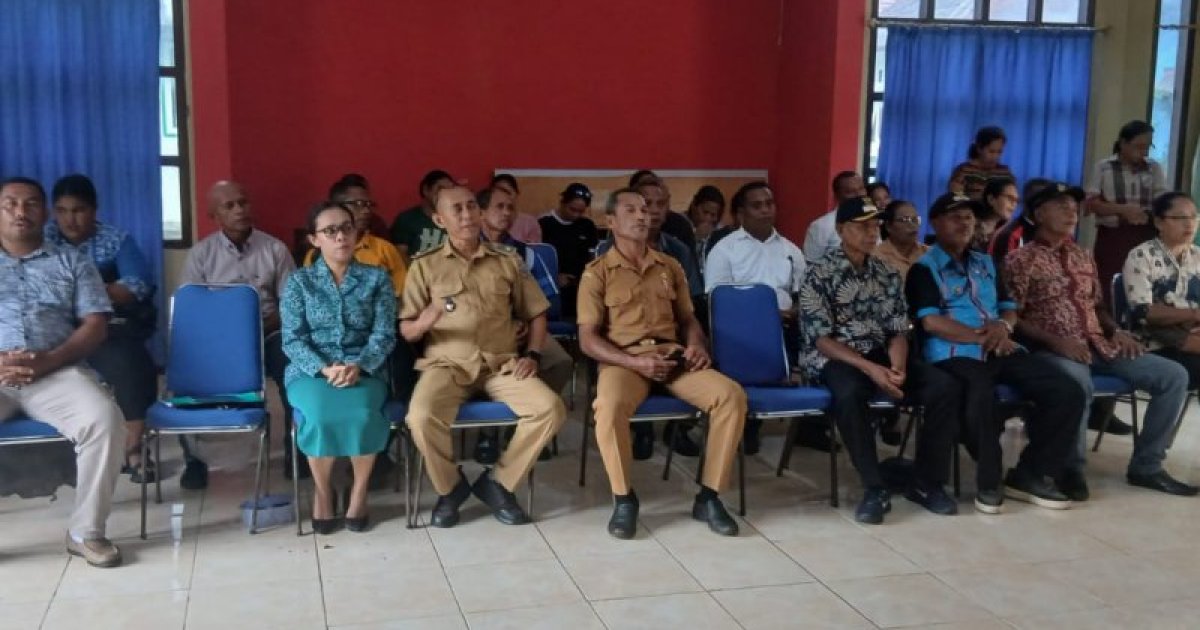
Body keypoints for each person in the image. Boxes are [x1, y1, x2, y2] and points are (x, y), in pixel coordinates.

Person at [1005, 183, 1196, 499]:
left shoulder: (1083, 256)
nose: (1071, 212)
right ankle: (1071, 470)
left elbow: (1098, 307)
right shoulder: (1020, 260)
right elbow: (1014, 316)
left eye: (1074, 207)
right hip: (1052, 350)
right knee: (1078, 383)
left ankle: (1147, 466)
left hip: (1099, 343)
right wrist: (1057, 342)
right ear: (1038, 214)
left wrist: (1115, 331)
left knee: (1173, 375)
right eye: (1061, 206)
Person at [578, 188, 747, 539]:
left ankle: (709, 496)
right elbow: (588, 339)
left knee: (730, 395)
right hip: (625, 362)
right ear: (610, 222)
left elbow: (688, 319)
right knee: (608, 406)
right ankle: (624, 499)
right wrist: (632, 362)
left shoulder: (670, 266)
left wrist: (696, 344)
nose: (642, 215)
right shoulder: (597, 273)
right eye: (631, 210)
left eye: (644, 210)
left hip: (672, 358)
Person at [402, 186, 566, 528]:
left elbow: (536, 313)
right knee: (420, 416)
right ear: (440, 220)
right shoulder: (425, 265)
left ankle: (499, 483)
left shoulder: (507, 260)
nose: (467, 215)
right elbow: (407, 331)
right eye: (457, 209)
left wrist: (533, 354)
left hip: (500, 364)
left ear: (480, 212)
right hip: (447, 365)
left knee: (550, 408)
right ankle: (451, 488)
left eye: (471, 207)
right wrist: (424, 321)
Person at [908, 193, 1082, 514]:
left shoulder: (986, 263)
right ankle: (989, 482)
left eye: (969, 217)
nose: (964, 223)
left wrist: (1002, 326)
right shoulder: (924, 268)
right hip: (954, 352)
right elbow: (931, 322)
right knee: (981, 397)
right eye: (955, 217)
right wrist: (983, 336)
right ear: (935, 223)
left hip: (1000, 346)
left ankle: (1030, 472)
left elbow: (1008, 309)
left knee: (1066, 389)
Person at [798, 196, 959, 524]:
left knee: (943, 387)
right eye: (862, 227)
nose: (872, 233)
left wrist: (897, 366)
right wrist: (872, 370)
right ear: (841, 230)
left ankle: (927, 481)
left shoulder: (886, 272)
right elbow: (821, 339)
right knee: (849, 394)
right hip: (837, 357)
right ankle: (874, 487)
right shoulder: (819, 274)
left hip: (880, 353)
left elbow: (897, 329)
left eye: (875, 225)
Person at [0, 177, 125, 567]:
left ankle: (86, 532)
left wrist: (49, 361)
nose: (21, 212)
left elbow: (96, 325)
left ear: (45, 213)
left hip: (55, 371)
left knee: (104, 419)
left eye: (31, 203)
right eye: (10, 204)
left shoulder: (72, 261)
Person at [282, 202, 396, 534]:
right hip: (310, 372)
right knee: (319, 415)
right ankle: (324, 491)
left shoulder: (377, 278)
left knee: (363, 414)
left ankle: (359, 493)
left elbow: (384, 334)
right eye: (330, 231)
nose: (341, 237)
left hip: (365, 368)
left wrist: (359, 365)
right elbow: (292, 339)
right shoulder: (300, 282)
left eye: (346, 228)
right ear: (314, 240)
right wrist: (324, 369)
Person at [180, 180, 296, 488]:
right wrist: (228, 334)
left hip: (268, 332)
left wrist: (261, 327)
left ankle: (295, 450)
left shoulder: (274, 249)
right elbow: (193, 309)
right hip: (221, 340)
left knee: (292, 362)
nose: (239, 210)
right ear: (213, 215)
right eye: (229, 206)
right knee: (186, 368)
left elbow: (292, 305)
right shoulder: (201, 255)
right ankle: (194, 461)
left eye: (243, 202)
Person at [46, 174, 158, 484]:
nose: (70, 219)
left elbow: (136, 285)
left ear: (94, 210)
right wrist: (100, 287)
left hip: (103, 329)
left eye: (78, 210)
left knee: (132, 363)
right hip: (52, 330)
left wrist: (81, 289)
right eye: (62, 211)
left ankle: (134, 448)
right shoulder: (44, 239)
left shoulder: (115, 239)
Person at [597, 179, 706, 458]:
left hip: (672, 334)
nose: (652, 211)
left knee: (706, 353)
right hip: (627, 342)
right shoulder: (606, 253)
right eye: (646, 205)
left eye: (661, 204)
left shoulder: (678, 251)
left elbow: (692, 304)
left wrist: (694, 342)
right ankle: (641, 429)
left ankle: (678, 428)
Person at [473, 185, 575, 464]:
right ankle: (487, 431)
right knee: (489, 365)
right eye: (499, 207)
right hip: (481, 334)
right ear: (480, 212)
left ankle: (524, 425)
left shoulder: (524, 254)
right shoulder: (465, 249)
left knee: (559, 362)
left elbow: (546, 301)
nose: (507, 213)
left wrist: (526, 326)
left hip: (524, 328)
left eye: (511, 208)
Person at [703, 181, 805, 453]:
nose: (765, 210)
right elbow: (717, 302)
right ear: (740, 213)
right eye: (756, 205)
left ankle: (809, 426)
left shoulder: (791, 251)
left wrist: (795, 311)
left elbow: (803, 295)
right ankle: (745, 421)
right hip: (741, 330)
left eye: (769, 204)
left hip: (787, 326)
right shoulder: (724, 250)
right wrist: (762, 317)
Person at [1086, 121, 1169, 305]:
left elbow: (1164, 202)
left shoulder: (1154, 168)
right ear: (1123, 143)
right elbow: (1091, 204)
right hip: (1112, 237)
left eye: (1148, 147)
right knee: (1108, 286)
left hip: (1146, 235)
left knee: (1144, 286)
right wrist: (1122, 210)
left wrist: (1148, 213)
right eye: (1139, 146)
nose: (1144, 152)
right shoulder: (1104, 167)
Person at [1124, 192, 1200, 390]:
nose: (1190, 224)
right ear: (1159, 222)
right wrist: (1193, 314)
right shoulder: (1141, 256)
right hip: (1155, 345)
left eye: (1194, 217)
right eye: (1180, 218)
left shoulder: (1198, 255)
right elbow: (1143, 312)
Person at [304, 174, 407, 295]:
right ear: (337, 206)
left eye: (369, 205)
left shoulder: (385, 249)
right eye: (358, 204)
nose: (366, 211)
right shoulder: (315, 255)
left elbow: (400, 295)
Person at [538, 183, 599, 320]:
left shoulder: (587, 226)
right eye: (572, 209)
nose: (576, 215)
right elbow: (538, 261)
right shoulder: (544, 224)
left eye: (580, 211)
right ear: (562, 202)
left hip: (582, 286)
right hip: (553, 287)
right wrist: (555, 277)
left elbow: (593, 258)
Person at [803, 171, 866, 263]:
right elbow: (810, 264)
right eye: (851, 192)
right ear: (837, 196)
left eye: (861, 189)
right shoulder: (822, 226)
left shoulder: (872, 222)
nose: (859, 195)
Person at [390, 169, 454, 259]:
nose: (445, 194)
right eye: (440, 189)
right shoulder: (407, 220)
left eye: (450, 190)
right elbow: (400, 258)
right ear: (426, 190)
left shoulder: (456, 218)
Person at [628, 170, 697, 252]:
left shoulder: (680, 250)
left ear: (668, 206)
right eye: (647, 203)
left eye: (661, 203)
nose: (655, 210)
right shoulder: (616, 247)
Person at [947, 126, 1015, 194]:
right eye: (991, 151)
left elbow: (1012, 196)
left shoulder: (1005, 173)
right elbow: (955, 196)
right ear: (979, 149)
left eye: (999, 152)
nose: (995, 156)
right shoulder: (963, 170)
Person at [872, 200, 928, 278]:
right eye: (905, 220)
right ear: (888, 226)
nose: (912, 225)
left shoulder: (928, 253)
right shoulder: (875, 257)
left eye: (915, 220)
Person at [490, 173, 541, 243]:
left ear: (516, 194)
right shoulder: (484, 221)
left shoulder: (530, 223)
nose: (503, 197)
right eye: (499, 193)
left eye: (508, 192)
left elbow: (532, 248)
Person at [686, 185, 725, 269]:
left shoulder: (719, 231)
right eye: (705, 212)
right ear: (694, 205)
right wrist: (696, 239)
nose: (708, 219)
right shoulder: (678, 223)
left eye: (713, 215)